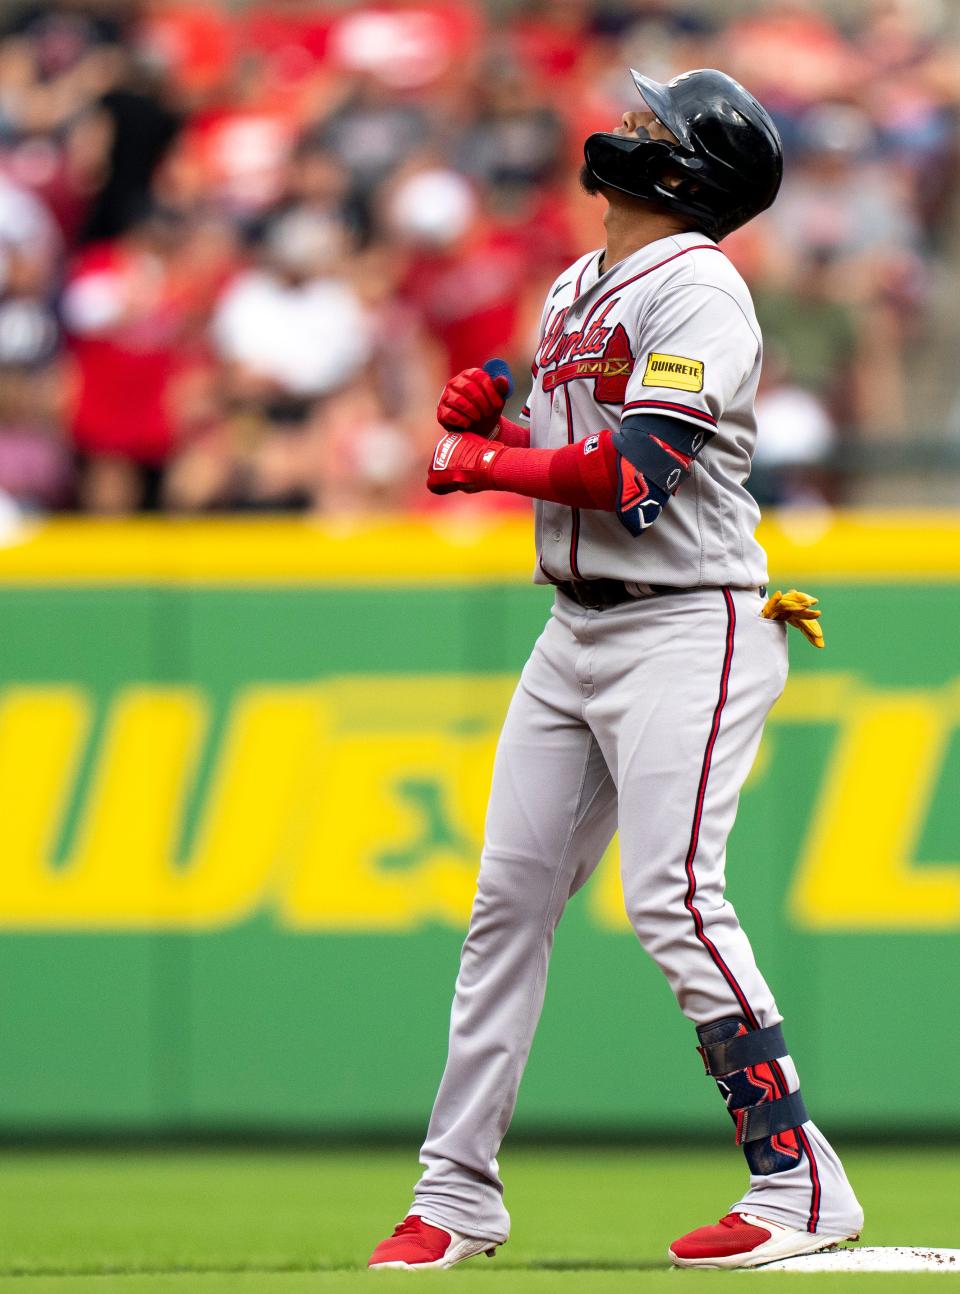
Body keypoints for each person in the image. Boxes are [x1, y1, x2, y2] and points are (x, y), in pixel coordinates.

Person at [368, 68, 864, 1271]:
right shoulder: (583, 281)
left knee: (674, 898)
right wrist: (503, 391)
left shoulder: (705, 288)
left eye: (659, 127)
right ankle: (458, 1194)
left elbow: (636, 476)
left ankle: (800, 1183)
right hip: (574, 629)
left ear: (687, 174)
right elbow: (570, 410)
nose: (630, 130)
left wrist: (483, 464)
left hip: (685, 621)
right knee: (505, 906)